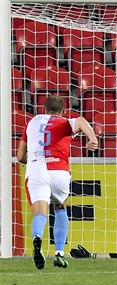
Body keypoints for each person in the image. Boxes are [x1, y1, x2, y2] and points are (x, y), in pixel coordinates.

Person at [16, 94, 98, 270]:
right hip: (59, 170)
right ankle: (59, 254)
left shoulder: (32, 122)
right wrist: (93, 139)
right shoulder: (64, 122)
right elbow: (82, 121)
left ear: (44, 109)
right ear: (63, 110)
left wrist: (34, 160)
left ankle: (37, 238)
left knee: (40, 213)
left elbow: (20, 156)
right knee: (60, 209)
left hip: (37, 169)